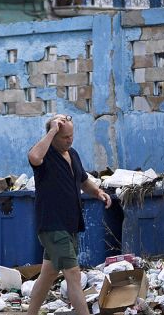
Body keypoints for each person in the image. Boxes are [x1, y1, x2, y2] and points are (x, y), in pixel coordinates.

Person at [26, 114, 111, 315]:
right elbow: (33, 157)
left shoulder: (72, 154)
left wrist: (97, 192)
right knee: (73, 274)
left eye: (71, 136)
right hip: (52, 225)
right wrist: (52, 130)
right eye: (64, 137)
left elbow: (83, 180)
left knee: (48, 274)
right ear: (53, 135)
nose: (69, 140)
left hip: (70, 224)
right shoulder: (45, 156)